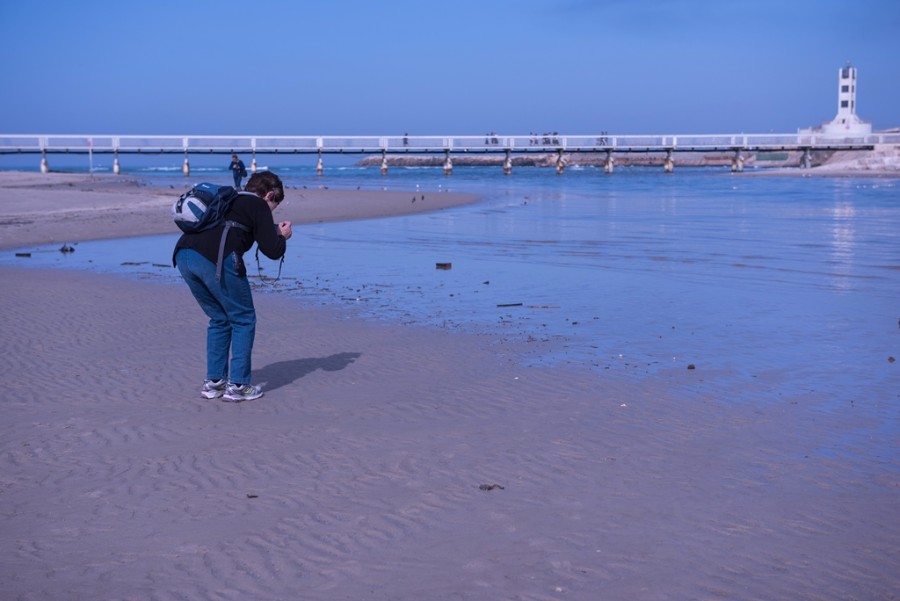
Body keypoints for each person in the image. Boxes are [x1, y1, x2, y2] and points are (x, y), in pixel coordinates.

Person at [173, 170, 292, 402]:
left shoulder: (231, 198)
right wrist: (284, 237)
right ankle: (238, 386)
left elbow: (243, 228)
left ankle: (214, 382)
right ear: (269, 195)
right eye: (274, 206)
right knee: (243, 319)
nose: (271, 212)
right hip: (216, 258)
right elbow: (273, 250)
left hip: (185, 254)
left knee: (219, 318)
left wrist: (273, 230)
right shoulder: (258, 205)